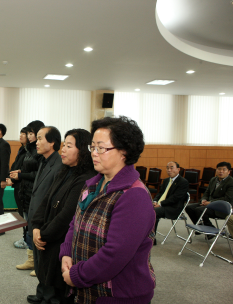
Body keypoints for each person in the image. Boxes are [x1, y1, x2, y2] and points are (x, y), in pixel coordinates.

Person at [60, 116, 156, 304]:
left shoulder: (134, 195)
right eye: (92, 147)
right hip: (89, 289)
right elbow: (75, 223)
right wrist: (66, 252)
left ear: (124, 152)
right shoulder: (94, 184)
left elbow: (115, 254)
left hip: (118, 295)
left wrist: (77, 275)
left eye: (101, 148)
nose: (94, 153)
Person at [30, 129, 96, 304]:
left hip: (61, 242)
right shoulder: (65, 170)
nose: (63, 150)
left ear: (82, 150)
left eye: (69, 146)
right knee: (47, 285)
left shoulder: (86, 178)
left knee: (57, 293)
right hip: (48, 237)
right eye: (64, 145)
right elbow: (46, 200)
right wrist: (36, 226)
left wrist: (43, 234)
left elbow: (67, 215)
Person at [9, 120, 45, 271]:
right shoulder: (28, 150)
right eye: (28, 133)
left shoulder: (40, 151)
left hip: (33, 193)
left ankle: (37, 262)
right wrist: (18, 174)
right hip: (24, 191)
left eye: (32, 133)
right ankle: (31, 259)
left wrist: (21, 175)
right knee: (27, 225)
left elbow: (39, 174)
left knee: (34, 227)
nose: (30, 136)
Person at [186, 162, 233, 228]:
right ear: (216, 170)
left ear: (229, 172)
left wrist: (210, 203)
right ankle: (201, 226)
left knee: (199, 210)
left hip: (221, 208)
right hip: (208, 204)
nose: (221, 171)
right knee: (189, 208)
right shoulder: (213, 179)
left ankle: (210, 228)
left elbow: (227, 199)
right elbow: (207, 192)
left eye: (224, 169)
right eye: (219, 169)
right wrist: (203, 199)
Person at [152, 161, 189, 245]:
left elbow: (175, 198)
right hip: (163, 205)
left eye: (172, 168)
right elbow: (160, 193)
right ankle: (144, 235)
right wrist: (155, 201)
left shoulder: (183, 182)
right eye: (167, 168)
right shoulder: (166, 180)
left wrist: (160, 204)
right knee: (145, 209)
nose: (169, 170)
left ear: (178, 169)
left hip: (174, 208)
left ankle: (151, 238)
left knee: (154, 212)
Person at [7, 127, 29, 248]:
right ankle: (25, 236)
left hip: (23, 185)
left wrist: (14, 178)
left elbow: (23, 169)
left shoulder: (29, 152)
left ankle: (27, 239)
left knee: (25, 214)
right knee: (22, 213)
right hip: (18, 184)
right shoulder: (22, 149)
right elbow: (15, 165)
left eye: (24, 134)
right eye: (20, 133)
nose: (21, 136)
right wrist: (9, 177)